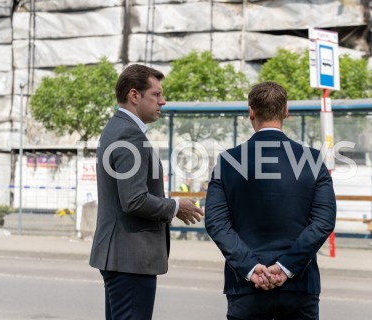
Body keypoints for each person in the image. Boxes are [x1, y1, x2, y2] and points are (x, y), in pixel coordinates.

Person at [205, 82, 336, 320]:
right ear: (286, 111)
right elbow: (323, 222)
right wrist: (286, 267)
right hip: (300, 285)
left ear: (251, 112)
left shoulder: (228, 161)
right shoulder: (313, 160)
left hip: (245, 287)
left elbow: (216, 223)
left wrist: (250, 268)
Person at [89, 64, 204, 320]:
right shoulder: (130, 136)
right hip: (130, 257)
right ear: (134, 95)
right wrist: (176, 207)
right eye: (156, 94)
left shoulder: (117, 128)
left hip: (121, 256)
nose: (162, 101)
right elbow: (134, 200)